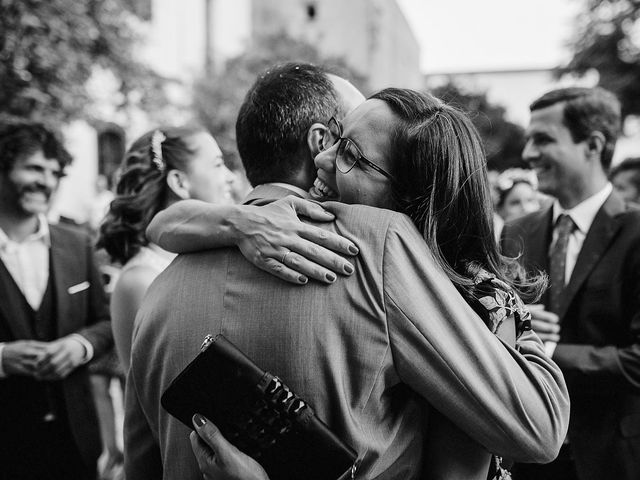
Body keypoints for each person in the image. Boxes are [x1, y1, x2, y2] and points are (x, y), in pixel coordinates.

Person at [127, 64, 569, 480]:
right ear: (317, 139)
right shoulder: (380, 246)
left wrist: (502, 303)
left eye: (351, 151)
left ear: (413, 192)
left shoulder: (159, 286)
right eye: (337, 138)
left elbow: (141, 463)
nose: (328, 159)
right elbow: (538, 426)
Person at [501, 87, 640, 480]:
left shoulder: (636, 232)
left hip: (612, 458)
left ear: (593, 144)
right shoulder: (515, 233)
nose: (528, 154)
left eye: (543, 139)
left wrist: (550, 349)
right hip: (527, 455)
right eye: (529, 140)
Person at [0, 120, 112, 479]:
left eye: (54, 172)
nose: (46, 182)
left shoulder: (77, 244)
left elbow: (107, 321)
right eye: (33, 168)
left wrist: (81, 345)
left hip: (74, 442)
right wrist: (1, 358)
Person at [98, 126, 236, 370]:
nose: (230, 176)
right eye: (217, 165)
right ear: (179, 182)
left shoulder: (211, 254)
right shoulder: (140, 280)